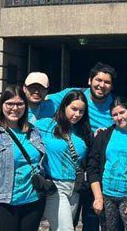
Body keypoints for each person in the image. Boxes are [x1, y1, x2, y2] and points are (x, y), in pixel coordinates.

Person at [0, 85, 46, 231]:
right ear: (1, 105)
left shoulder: (33, 132)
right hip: (3, 204)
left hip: (33, 201)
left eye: (19, 104)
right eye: (10, 104)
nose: (15, 108)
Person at [87, 97, 127, 230]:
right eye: (115, 115)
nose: (119, 117)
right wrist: (98, 197)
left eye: (122, 112)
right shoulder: (103, 136)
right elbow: (93, 167)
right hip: (106, 196)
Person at [35, 90, 92, 231]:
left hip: (75, 188)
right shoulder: (44, 125)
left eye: (81, 111)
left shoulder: (83, 131)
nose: (77, 114)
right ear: (64, 106)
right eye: (73, 109)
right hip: (55, 186)